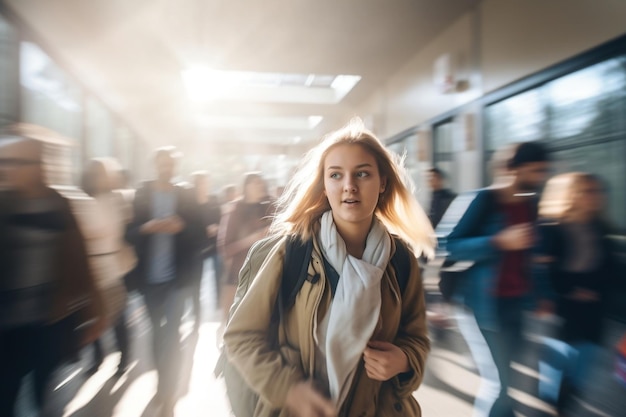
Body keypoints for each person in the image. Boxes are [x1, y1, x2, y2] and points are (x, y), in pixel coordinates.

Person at [223, 119, 434, 417]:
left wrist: (403, 361)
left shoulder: (400, 259)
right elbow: (240, 338)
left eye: (362, 173)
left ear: (382, 182)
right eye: (336, 175)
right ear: (324, 184)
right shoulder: (292, 252)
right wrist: (290, 389)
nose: (349, 186)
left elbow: (417, 340)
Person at [0, 134, 105, 417]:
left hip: (49, 320)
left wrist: (96, 311)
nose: (5, 168)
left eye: (14, 162)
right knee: (5, 395)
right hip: (7, 325)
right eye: (3, 162)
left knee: (43, 394)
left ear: (37, 165)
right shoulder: (4, 204)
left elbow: (81, 260)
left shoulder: (58, 204)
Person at [446, 141, 551, 417]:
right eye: (536, 171)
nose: (541, 177)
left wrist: (542, 295)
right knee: (500, 383)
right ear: (513, 169)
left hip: (518, 304)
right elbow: (447, 244)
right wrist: (497, 241)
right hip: (482, 306)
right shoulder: (481, 200)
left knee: (509, 380)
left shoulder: (530, 204)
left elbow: (531, 258)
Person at [124, 146, 202, 417]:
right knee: (157, 335)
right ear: (155, 165)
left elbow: (200, 233)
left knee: (172, 334)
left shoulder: (186, 194)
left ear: (175, 166)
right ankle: (161, 384)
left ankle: (169, 393)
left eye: (170, 163)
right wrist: (148, 228)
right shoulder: (142, 193)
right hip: (149, 280)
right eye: (162, 163)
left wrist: (182, 227)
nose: (166, 167)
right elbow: (129, 232)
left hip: (177, 280)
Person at [535, 172, 619, 413]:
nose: (596, 197)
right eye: (588, 191)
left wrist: (598, 290)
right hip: (564, 309)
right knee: (560, 368)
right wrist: (570, 291)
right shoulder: (553, 229)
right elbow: (543, 270)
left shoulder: (601, 227)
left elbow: (612, 271)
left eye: (599, 191)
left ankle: (564, 401)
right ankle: (555, 401)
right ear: (571, 195)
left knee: (581, 371)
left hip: (595, 310)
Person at [80, 157, 137, 375]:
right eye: (96, 174)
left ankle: (124, 357)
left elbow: (114, 230)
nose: (100, 178)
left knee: (117, 315)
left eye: (104, 174)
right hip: (89, 268)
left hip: (111, 266)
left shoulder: (116, 199)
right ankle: (97, 356)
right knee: (91, 315)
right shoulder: (82, 199)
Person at [217, 172, 274, 321]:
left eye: (261, 182)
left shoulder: (270, 206)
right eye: (256, 183)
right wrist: (253, 239)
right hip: (239, 277)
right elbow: (225, 248)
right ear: (246, 187)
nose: (260, 186)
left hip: (265, 275)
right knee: (235, 322)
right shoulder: (235, 210)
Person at [189, 171, 222, 329]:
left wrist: (216, 227)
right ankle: (196, 316)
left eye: (206, 182)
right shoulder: (190, 203)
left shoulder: (213, 200)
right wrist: (205, 230)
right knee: (196, 283)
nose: (205, 186)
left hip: (214, 247)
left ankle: (219, 308)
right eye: (202, 183)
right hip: (196, 249)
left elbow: (220, 219)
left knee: (219, 278)